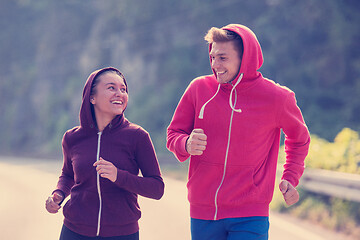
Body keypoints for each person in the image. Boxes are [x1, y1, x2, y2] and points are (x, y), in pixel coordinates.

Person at [166, 24, 310, 240]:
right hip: (203, 212)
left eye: (223, 58)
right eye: (212, 57)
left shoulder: (277, 98)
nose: (215, 65)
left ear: (245, 58)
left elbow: (299, 138)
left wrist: (290, 175)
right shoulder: (198, 89)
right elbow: (173, 133)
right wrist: (185, 144)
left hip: (250, 213)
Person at [45, 67, 164, 240]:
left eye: (123, 89)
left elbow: (157, 188)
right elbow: (68, 175)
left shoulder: (138, 136)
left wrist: (118, 176)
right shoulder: (72, 138)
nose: (120, 93)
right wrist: (59, 194)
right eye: (111, 88)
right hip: (74, 230)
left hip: (122, 233)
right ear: (91, 97)